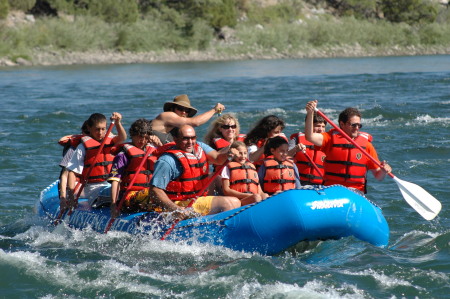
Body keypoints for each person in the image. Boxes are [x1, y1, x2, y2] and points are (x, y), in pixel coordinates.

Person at [150, 125, 241, 220]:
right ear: (175, 139)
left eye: (193, 138)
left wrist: (228, 155)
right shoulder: (167, 161)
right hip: (179, 203)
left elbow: (218, 158)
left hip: (197, 198)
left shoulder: (200, 146)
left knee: (226, 189)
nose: (190, 142)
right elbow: (155, 190)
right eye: (185, 138)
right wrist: (175, 209)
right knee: (231, 203)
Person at [304, 100, 392, 193]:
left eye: (359, 125)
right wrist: (310, 113)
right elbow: (310, 136)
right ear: (342, 124)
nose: (357, 128)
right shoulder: (329, 139)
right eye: (353, 125)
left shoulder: (366, 146)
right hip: (332, 190)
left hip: (356, 192)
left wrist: (383, 171)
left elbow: (378, 176)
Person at [66, 112, 127, 207]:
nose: (100, 132)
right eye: (97, 129)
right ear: (89, 128)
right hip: (94, 189)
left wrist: (118, 123)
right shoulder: (82, 147)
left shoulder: (110, 141)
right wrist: (71, 197)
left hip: (112, 184)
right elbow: (72, 173)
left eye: (103, 129)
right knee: (118, 193)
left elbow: (122, 137)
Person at [107, 119, 161, 217]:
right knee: (156, 194)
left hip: (150, 195)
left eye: (146, 137)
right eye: (140, 136)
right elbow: (115, 181)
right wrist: (113, 205)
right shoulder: (122, 155)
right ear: (132, 135)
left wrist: (160, 146)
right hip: (129, 198)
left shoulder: (154, 151)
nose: (143, 140)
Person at [151, 94, 225, 144]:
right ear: (172, 109)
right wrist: (214, 110)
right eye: (180, 109)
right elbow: (196, 122)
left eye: (187, 110)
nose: (183, 112)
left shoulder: (177, 130)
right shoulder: (167, 116)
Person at [221, 141, 268, 205]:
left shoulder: (251, 167)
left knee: (265, 196)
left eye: (245, 153)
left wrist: (267, 197)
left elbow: (259, 191)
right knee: (256, 198)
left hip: (253, 197)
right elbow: (226, 190)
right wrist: (247, 196)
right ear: (233, 154)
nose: (243, 156)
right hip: (237, 201)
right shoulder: (226, 167)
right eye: (240, 153)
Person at [57, 121, 89, 213]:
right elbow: (64, 175)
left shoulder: (98, 145)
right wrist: (63, 198)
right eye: (86, 133)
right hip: (73, 186)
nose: (89, 136)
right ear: (82, 133)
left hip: (91, 184)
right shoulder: (74, 148)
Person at [288, 113, 327, 185]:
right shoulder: (297, 139)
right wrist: (295, 149)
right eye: (317, 126)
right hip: (299, 182)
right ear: (309, 126)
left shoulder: (328, 142)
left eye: (323, 126)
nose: (321, 129)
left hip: (321, 184)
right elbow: (285, 156)